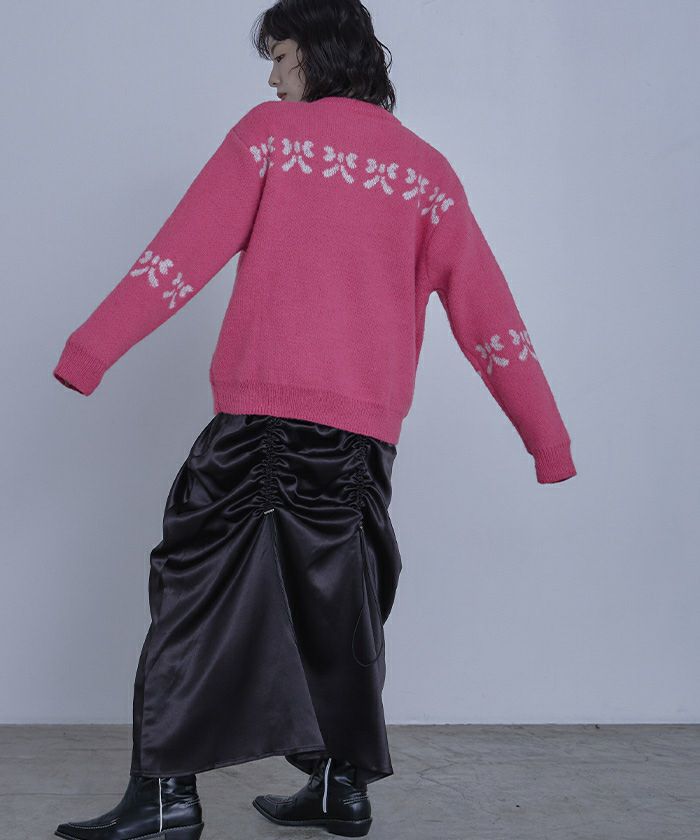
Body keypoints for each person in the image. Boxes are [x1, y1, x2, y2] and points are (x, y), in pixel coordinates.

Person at [52, 1, 577, 838]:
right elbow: (490, 317)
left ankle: (164, 799)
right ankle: (340, 789)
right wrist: (546, 438)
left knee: (196, 601)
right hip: (362, 444)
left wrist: (89, 351)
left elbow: (177, 256)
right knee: (341, 611)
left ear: (318, 53)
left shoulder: (270, 137)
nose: (272, 76)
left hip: (260, 427)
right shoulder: (427, 171)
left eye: (281, 55)